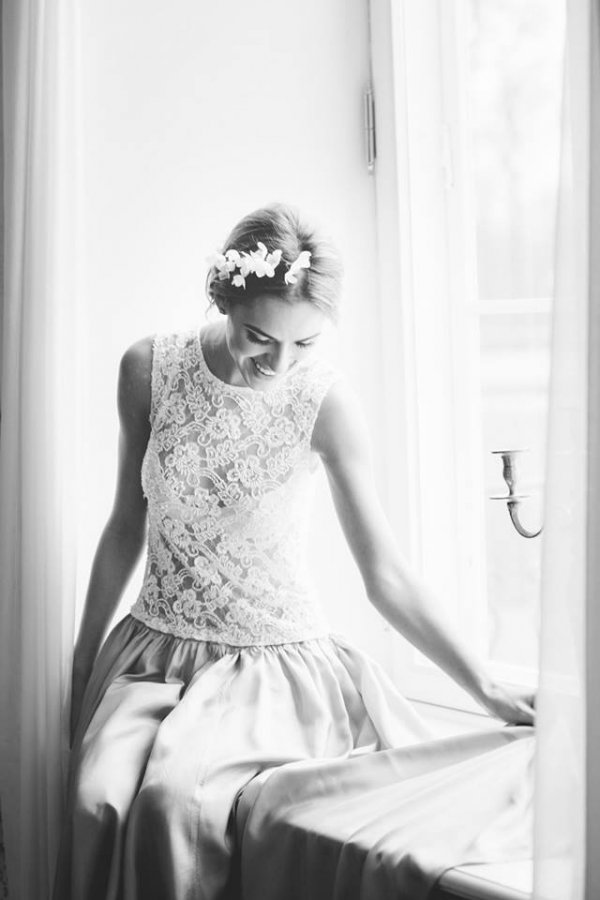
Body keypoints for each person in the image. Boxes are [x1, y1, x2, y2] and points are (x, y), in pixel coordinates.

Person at [53, 202, 535, 900]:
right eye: (259, 337)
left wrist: (488, 689)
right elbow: (126, 522)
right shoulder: (148, 369)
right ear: (223, 297)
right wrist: (82, 662)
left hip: (268, 672)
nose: (279, 364)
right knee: (94, 795)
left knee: (174, 804)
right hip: (151, 655)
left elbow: (386, 575)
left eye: (304, 343)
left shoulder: (323, 403)